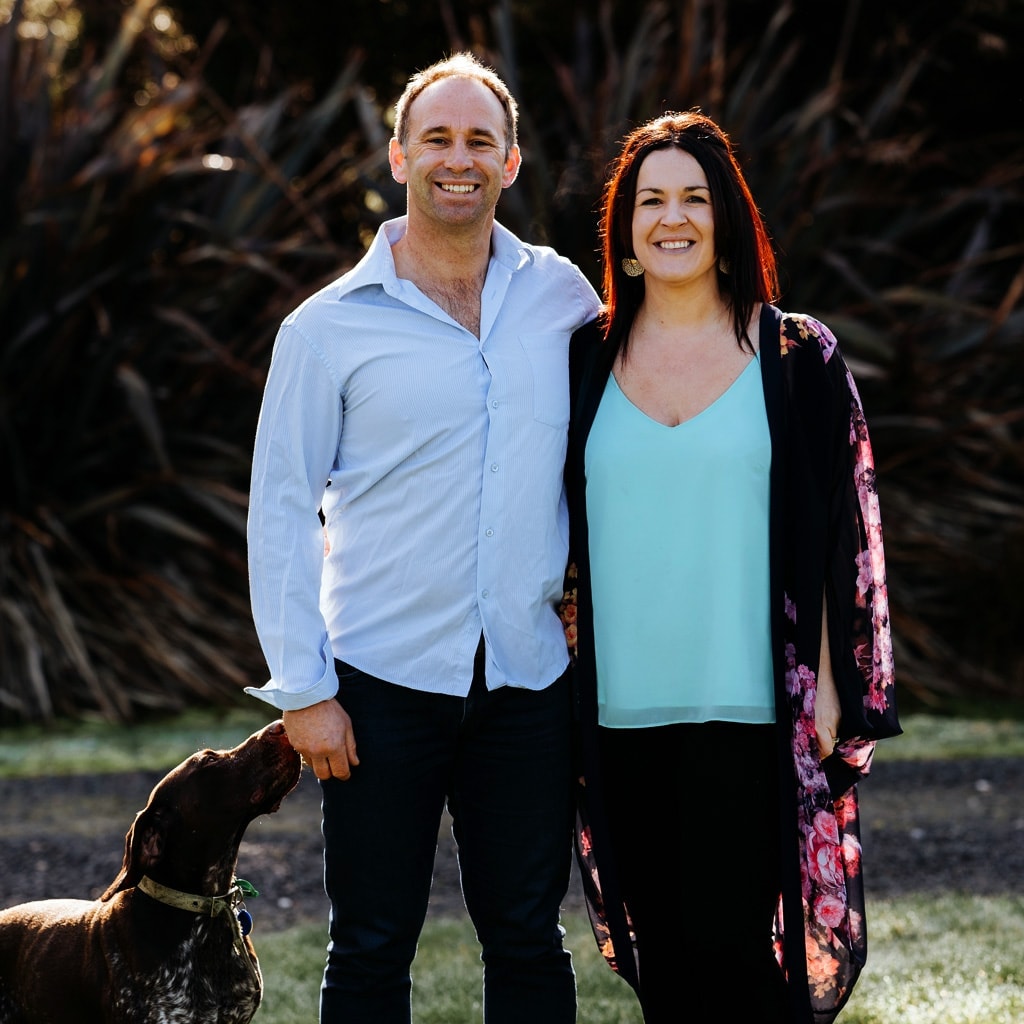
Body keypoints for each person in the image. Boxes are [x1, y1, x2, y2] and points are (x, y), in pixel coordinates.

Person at [245, 53, 600, 1024]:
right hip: (376, 687)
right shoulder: (324, 331)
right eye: (436, 139)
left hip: (528, 682)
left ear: (512, 162)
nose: (458, 158)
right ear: (398, 157)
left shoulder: (564, 300)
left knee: (529, 936)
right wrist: (304, 689)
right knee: (368, 945)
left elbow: (622, 438)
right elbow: (278, 510)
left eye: (479, 140)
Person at [562, 110, 901, 1024]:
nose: (673, 218)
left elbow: (846, 533)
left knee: (741, 964)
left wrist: (832, 684)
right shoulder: (583, 358)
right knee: (666, 970)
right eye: (651, 200)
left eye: (695, 199)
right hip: (621, 712)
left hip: (753, 709)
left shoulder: (797, 357)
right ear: (625, 231)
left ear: (727, 222)